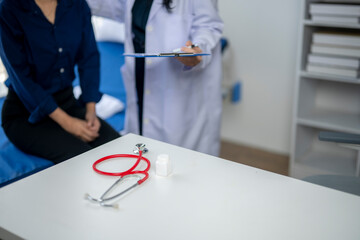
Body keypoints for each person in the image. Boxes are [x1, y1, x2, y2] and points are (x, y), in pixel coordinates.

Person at [87, 0, 223, 156]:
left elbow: (208, 26)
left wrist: (197, 50)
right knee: (144, 154)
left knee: (181, 162)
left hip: (179, 86)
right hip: (140, 76)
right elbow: (111, 6)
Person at [0, 0, 120, 164]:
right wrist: (69, 123)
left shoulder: (76, 4)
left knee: (120, 149)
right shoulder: (8, 8)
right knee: (84, 161)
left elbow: (89, 57)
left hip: (68, 104)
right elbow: (21, 77)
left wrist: (90, 109)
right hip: (26, 115)